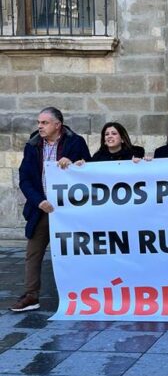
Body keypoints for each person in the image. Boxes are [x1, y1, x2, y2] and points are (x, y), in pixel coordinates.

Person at [10, 107, 91, 312]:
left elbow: (89, 170)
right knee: (33, 252)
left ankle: (81, 293)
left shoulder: (75, 142)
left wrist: (74, 164)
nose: (40, 126)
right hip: (43, 209)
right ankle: (31, 295)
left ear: (57, 125)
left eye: (44, 123)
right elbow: (25, 179)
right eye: (38, 122)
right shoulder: (33, 145)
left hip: (70, 209)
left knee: (75, 252)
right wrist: (39, 201)